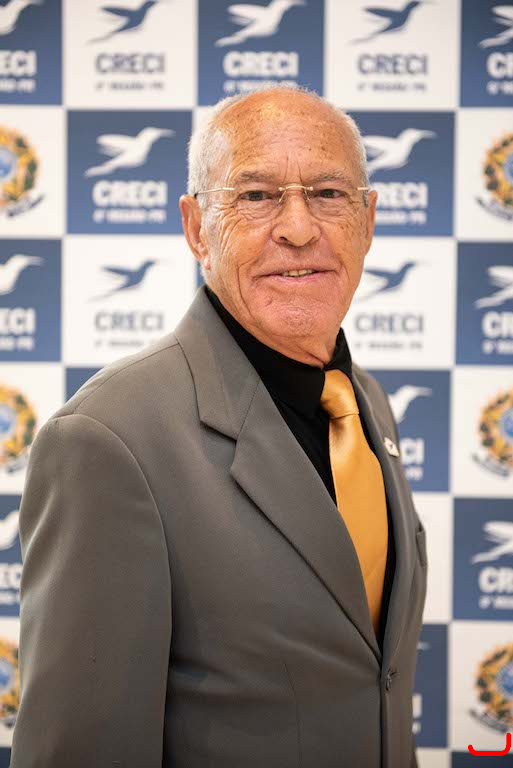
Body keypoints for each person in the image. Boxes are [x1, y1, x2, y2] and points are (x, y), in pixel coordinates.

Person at [11, 85, 427, 768]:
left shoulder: (364, 403)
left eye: (328, 193)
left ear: (368, 219)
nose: (298, 228)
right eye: (256, 196)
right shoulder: (106, 438)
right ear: (197, 227)